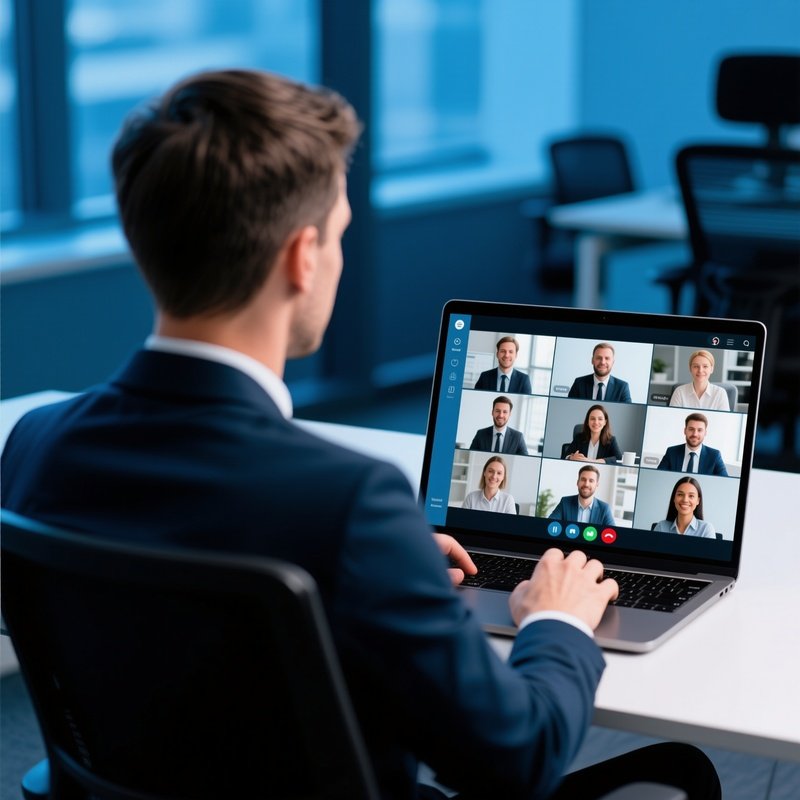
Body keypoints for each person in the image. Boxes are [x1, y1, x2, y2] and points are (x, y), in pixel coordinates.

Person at [1, 70, 720, 800]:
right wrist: (560, 623)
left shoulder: (35, 443)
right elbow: (518, 761)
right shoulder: (349, 503)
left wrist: (387, 570)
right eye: (340, 235)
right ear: (302, 256)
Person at [658, 413, 728, 476]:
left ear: (705, 433)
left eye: (699, 430)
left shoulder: (714, 456)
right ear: (685, 431)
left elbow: (724, 482)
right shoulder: (671, 452)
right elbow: (658, 476)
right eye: (691, 429)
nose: (695, 434)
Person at [548, 465, 616, 526]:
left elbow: (613, 533)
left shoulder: (604, 508)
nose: (586, 484)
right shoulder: (565, 502)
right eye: (583, 479)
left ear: (597, 484)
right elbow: (550, 523)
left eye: (591, 481)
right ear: (577, 482)